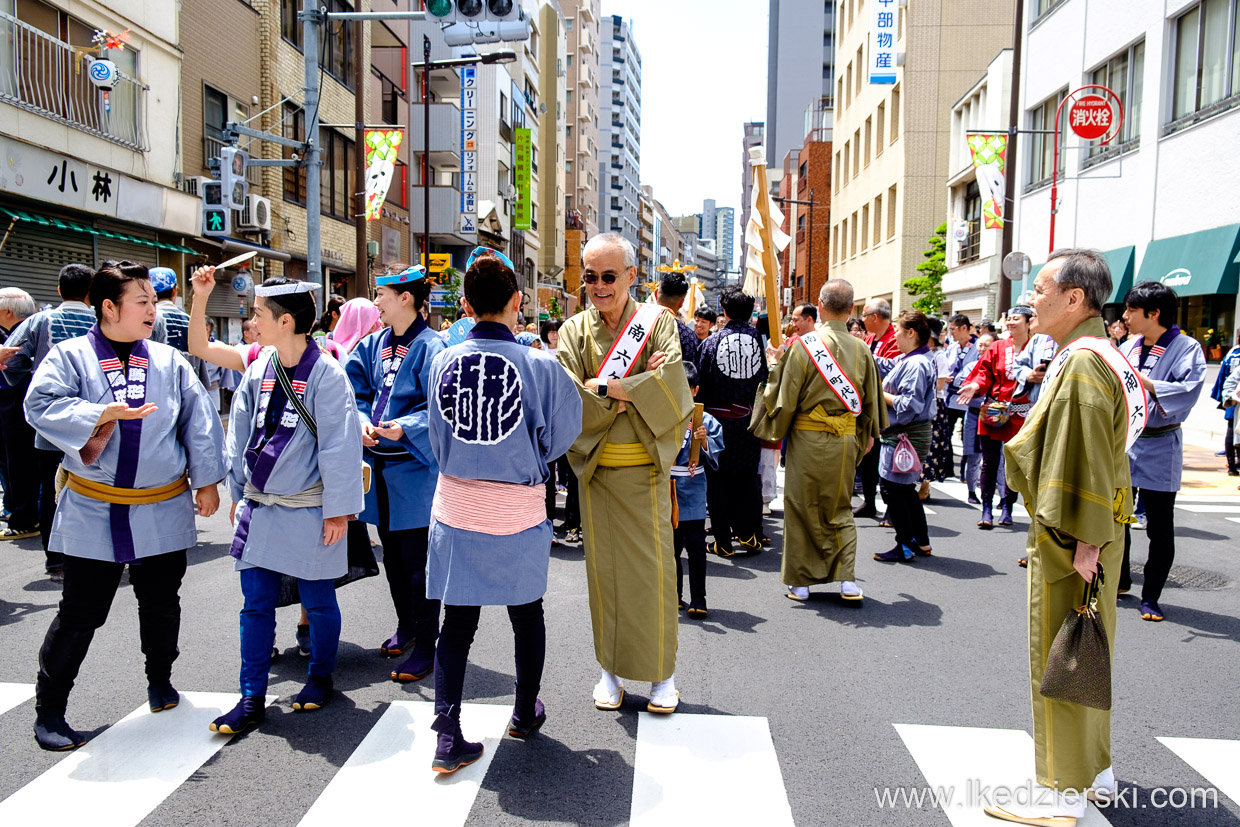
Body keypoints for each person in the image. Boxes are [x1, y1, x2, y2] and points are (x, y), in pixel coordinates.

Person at [23, 260, 225, 751]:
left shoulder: (169, 360)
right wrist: (97, 414)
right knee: (80, 611)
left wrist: (207, 480)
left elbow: (198, 420)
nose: (153, 310)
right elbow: (39, 403)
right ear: (109, 307)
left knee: (161, 601)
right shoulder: (69, 356)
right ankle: (49, 709)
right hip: (94, 504)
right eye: (143, 302)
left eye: (154, 302)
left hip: (160, 504)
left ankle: (160, 680)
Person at [984, 249, 1142, 826]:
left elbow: (1082, 461)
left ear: (1074, 298)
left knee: (1064, 653)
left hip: (1076, 531)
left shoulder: (1079, 363)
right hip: (1098, 526)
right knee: (1090, 649)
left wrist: (1085, 543)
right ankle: (1094, 770)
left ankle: (1061, 790)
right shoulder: (1103, 354)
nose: (1031, 298)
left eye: (1042, 287)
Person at [422, 251, 581, 773]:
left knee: (457, 626)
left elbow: (437, 436)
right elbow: (560, 439)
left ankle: (447, 734)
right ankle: (522, 712)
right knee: (525, 615)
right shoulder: (540, 366)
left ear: (465, 306)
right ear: (518, 302)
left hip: (458, 507)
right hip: (515, 511)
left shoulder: (441, 361)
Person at [210, 278, 365, 735]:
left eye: (258, 313)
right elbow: (238, 435)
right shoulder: (259, 370)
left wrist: (339, 510)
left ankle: (320, 676)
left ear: (285, 321)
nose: (250, 320)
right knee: (255, 602)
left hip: (312, 508)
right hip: (262, 507)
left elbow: (340, 444)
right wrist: (238, 494)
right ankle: (251, 695)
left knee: (317, 600)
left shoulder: (328, 374)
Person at [556, 232, 693, 714]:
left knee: (654, 576)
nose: (598, 285)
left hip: (646, 473)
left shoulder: (658, 323)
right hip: (596, 474)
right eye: (590, 276)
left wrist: (608, 386)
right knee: (604, 578)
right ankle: (609, 672)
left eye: (609, 276)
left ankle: (662, 676)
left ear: (632, 276)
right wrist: (632, 389)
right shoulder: (573, 331)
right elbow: (568, 394)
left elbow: (671, 383)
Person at [753, 280, 885, 600]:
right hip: (844, 440)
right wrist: (866, 434)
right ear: (851, 309)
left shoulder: (804, 345)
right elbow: (871, 401)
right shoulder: (862, 348)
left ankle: (800, 583)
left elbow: (784, 397)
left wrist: (772, 371)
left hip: (808, 438)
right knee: (839, 507)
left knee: (801, 506)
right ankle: (847, 580)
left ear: (820, 306)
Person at [345, 262, 445, 680]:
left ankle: (427, 643)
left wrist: (407, 426)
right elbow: (354, 390)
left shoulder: (434, 347)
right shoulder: (371, 346)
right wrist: (363, 420)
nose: (376, 304)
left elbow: (441, 406)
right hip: (378, 468)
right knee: (392, 556)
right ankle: (406, 626)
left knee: (416, 561)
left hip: (414, 470)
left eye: (381, 295)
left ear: (406, 298)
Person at [1116, 282, 1205, 622]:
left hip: (1161, 443)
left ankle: (1151, 596)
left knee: (1160, 526)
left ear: (1153, 314)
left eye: (1130, 311)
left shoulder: (1187, 348)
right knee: (1117, 517)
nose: (1125, 317)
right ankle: (1121, 579)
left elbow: (1187, 391)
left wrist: (1143, 382)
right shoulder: (1129, 346)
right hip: (1126, 442)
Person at [0, 265, 97, 573]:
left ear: (58, 290)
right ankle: (95, 554)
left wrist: (27, 378)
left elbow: (11, 358)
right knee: (97, 485)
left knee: (49, 487)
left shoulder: (41, 320)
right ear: (91, 294)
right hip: (97, 422)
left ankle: (55, 558)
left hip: (50, 422)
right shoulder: (104, 321)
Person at [956, 307, 1052, 528]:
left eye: (1015, 318)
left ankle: (1007, 506)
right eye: (1008, 318)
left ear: (1029, 322)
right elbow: (983, 372)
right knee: (989, 462)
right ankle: (987, 508)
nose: (1010, 322)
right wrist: (974, 385)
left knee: (1014, 463)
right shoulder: (998, 347)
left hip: (1024, 412)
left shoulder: (1039, 346)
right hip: (994, 411)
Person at [697, 286, 769, 556]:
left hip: (716, 422)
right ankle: (750, 535)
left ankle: (723, 541)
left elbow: (699, 385)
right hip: (749, 420)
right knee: (748, 479)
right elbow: (766, 379)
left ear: (723, 311)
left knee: (718, 481)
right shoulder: (761, 343)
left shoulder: (711, 343)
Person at [872, 311, 937, 562]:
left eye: (898, 330)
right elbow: (887, 364)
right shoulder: (913, 359)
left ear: (911, 333)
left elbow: (908, 406)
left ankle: (906, 544)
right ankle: (921, 541)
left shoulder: (916, 364)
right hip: (907, 434)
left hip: (905, 434)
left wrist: (880, 393)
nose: (895, 335)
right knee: (904, 489)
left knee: (892, 489)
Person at [672, 362, 724, 616]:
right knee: (670, 548)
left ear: (696, 390)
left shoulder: (707, 420)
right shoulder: (664, 415)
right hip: (668, 490)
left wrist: (704, 441)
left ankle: (699, 599)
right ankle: (674, 596)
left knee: (695, 546)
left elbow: (716, 454)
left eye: (687, 388)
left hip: (692, 489)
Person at [854, 298, 900, 519]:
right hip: (869, 406)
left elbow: (891, 373)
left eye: (864, 316)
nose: (862, 321)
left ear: (874, 317)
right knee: (869, 459)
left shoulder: (895, 339)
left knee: (888, 462)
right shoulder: (870, 338)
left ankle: (892, 507)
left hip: (888, 409)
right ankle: (869, 502)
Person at [0, 288, 39, 542]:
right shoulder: (37, 327)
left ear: (7, 311)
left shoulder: (22, 334)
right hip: (18, 409)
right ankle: (18, 509)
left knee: (21, 463)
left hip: (17, 409)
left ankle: (25, 517)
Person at [654, 272, 701, 366]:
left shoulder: (636, 324)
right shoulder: (688, 335)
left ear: (655, 294)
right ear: (682, 302)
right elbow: (690, 374)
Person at [1210, 329, 1240, 476]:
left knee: (1231, 429)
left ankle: (1232, 466)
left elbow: (1223, 375)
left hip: (1232, 397)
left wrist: (1224, 396)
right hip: (1236, 398)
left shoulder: (1231, 354)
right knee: (1235, 431)